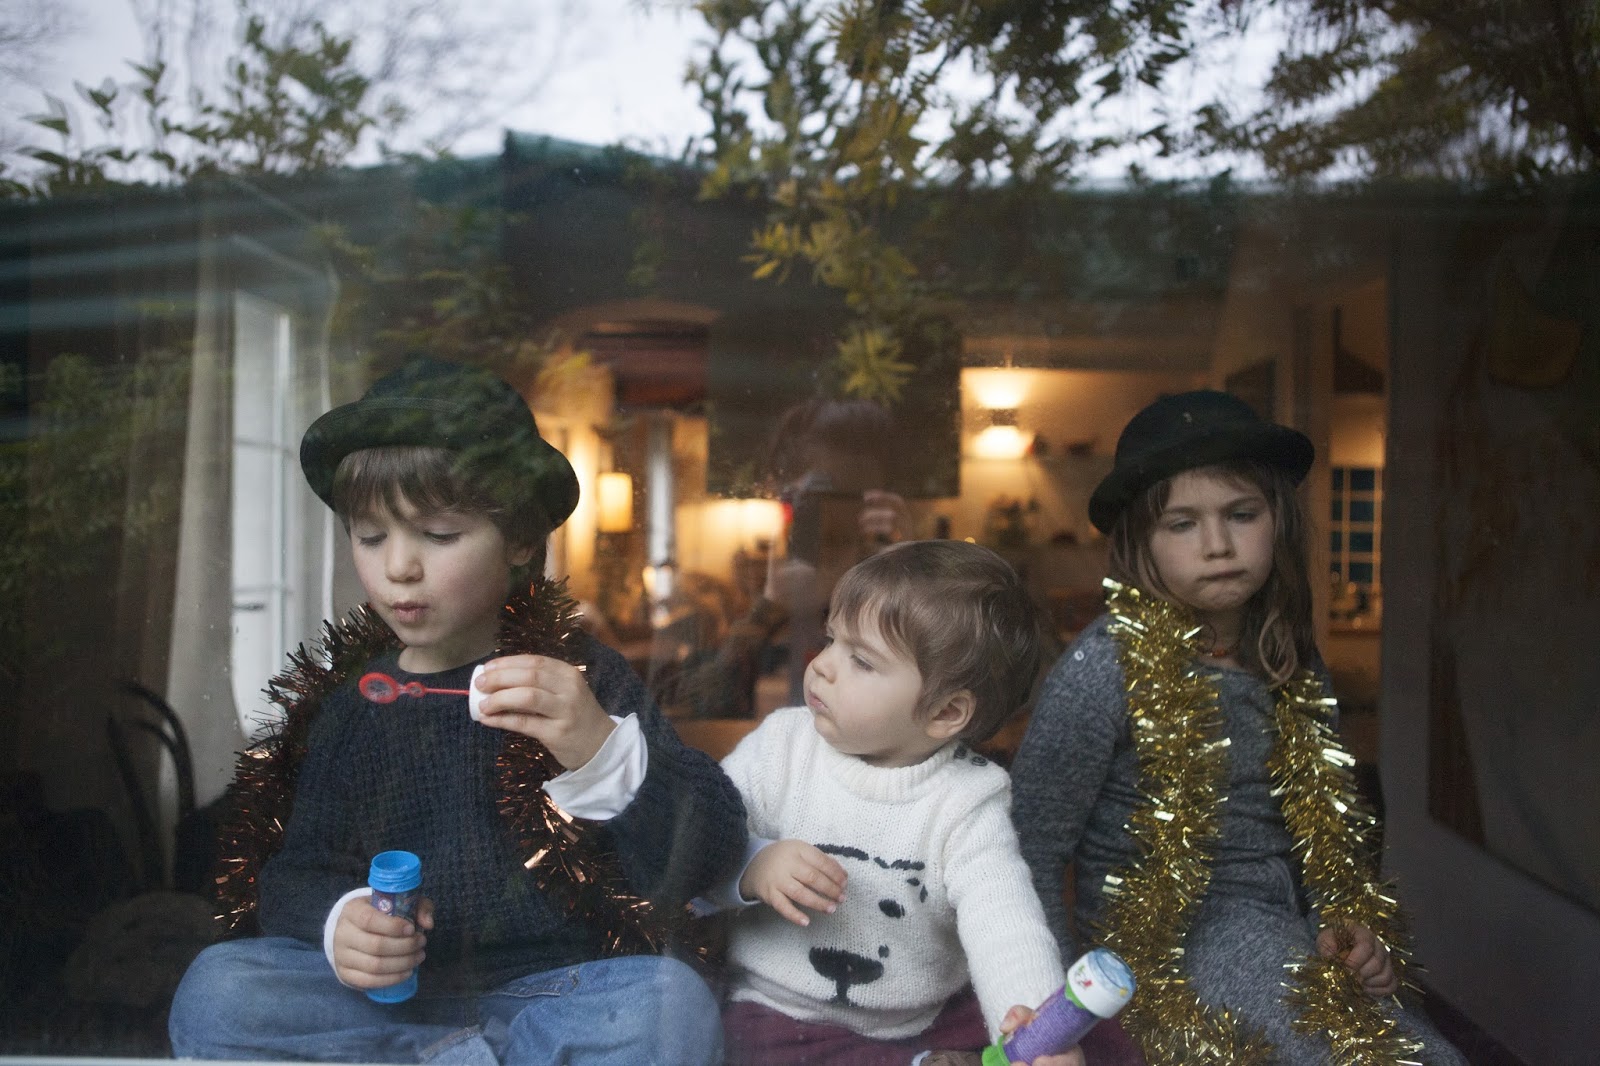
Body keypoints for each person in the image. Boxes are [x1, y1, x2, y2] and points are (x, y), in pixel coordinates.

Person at [168, 355, 747, 1065]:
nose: (398, 567)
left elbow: (710, 851)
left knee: (667, 1006)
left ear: (520, 542)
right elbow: (295, 874)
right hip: (392, 1005)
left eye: (439, 536)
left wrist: (603, 752)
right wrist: (340, 922)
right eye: (370, 536)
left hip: (556, 995)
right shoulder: (353, 706)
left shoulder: (582, 678)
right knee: (218, 990)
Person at [1010, 390, 1466, 1065]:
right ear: (1140, 542)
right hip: (1172, 940)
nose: (1218, 545)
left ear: (1278, 520)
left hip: (1291, 923)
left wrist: (1345, 924)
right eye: (1182, 524)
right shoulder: (1105, 667)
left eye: (1241, 515)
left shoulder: (1289, 655)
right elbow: (1031, 847)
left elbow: (1324, 826)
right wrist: (1060, 1009)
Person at [711, 540, 1079, 1066]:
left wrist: (1036, 1028)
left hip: (923, 1014)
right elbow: (699, 841)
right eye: (832, 639)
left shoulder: (967, 800)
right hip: (779, 1010)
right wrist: (753, 866)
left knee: (1097, 1041)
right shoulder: (781, 748)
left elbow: (1004, 923)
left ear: (945, 713)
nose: (822, 666)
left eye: (861, 660)